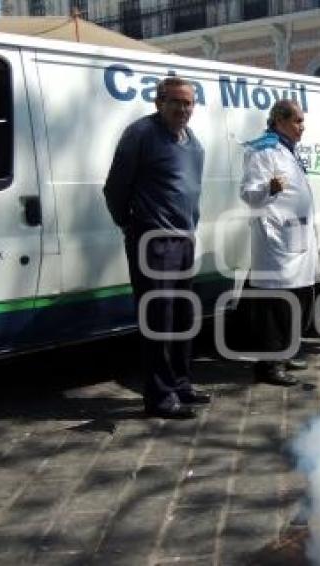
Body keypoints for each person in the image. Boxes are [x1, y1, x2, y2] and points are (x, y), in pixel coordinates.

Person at [103, 77, 208, 419]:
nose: (182, 109)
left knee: (182, 317)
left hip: (183, 240)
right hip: (152, 241)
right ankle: (160, 397)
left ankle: (180, 383)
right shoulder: (141, 134)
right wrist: (129, 224)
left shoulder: (193, 141)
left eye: (188, 103)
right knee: (157, 319)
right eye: (175, 102)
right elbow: (115, 186)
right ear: (158, 103)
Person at [239, 100, 318, 386]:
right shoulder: (262, 150)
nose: (302, 126)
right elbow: (248, 193)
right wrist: (268, 188)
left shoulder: (287, 149)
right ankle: (269, 365)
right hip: (275, 237)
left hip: (295, 233)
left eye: (302, 121)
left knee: (297, 296)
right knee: (276, 304)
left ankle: (285, 353)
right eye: (297, 120)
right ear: (279, 121)